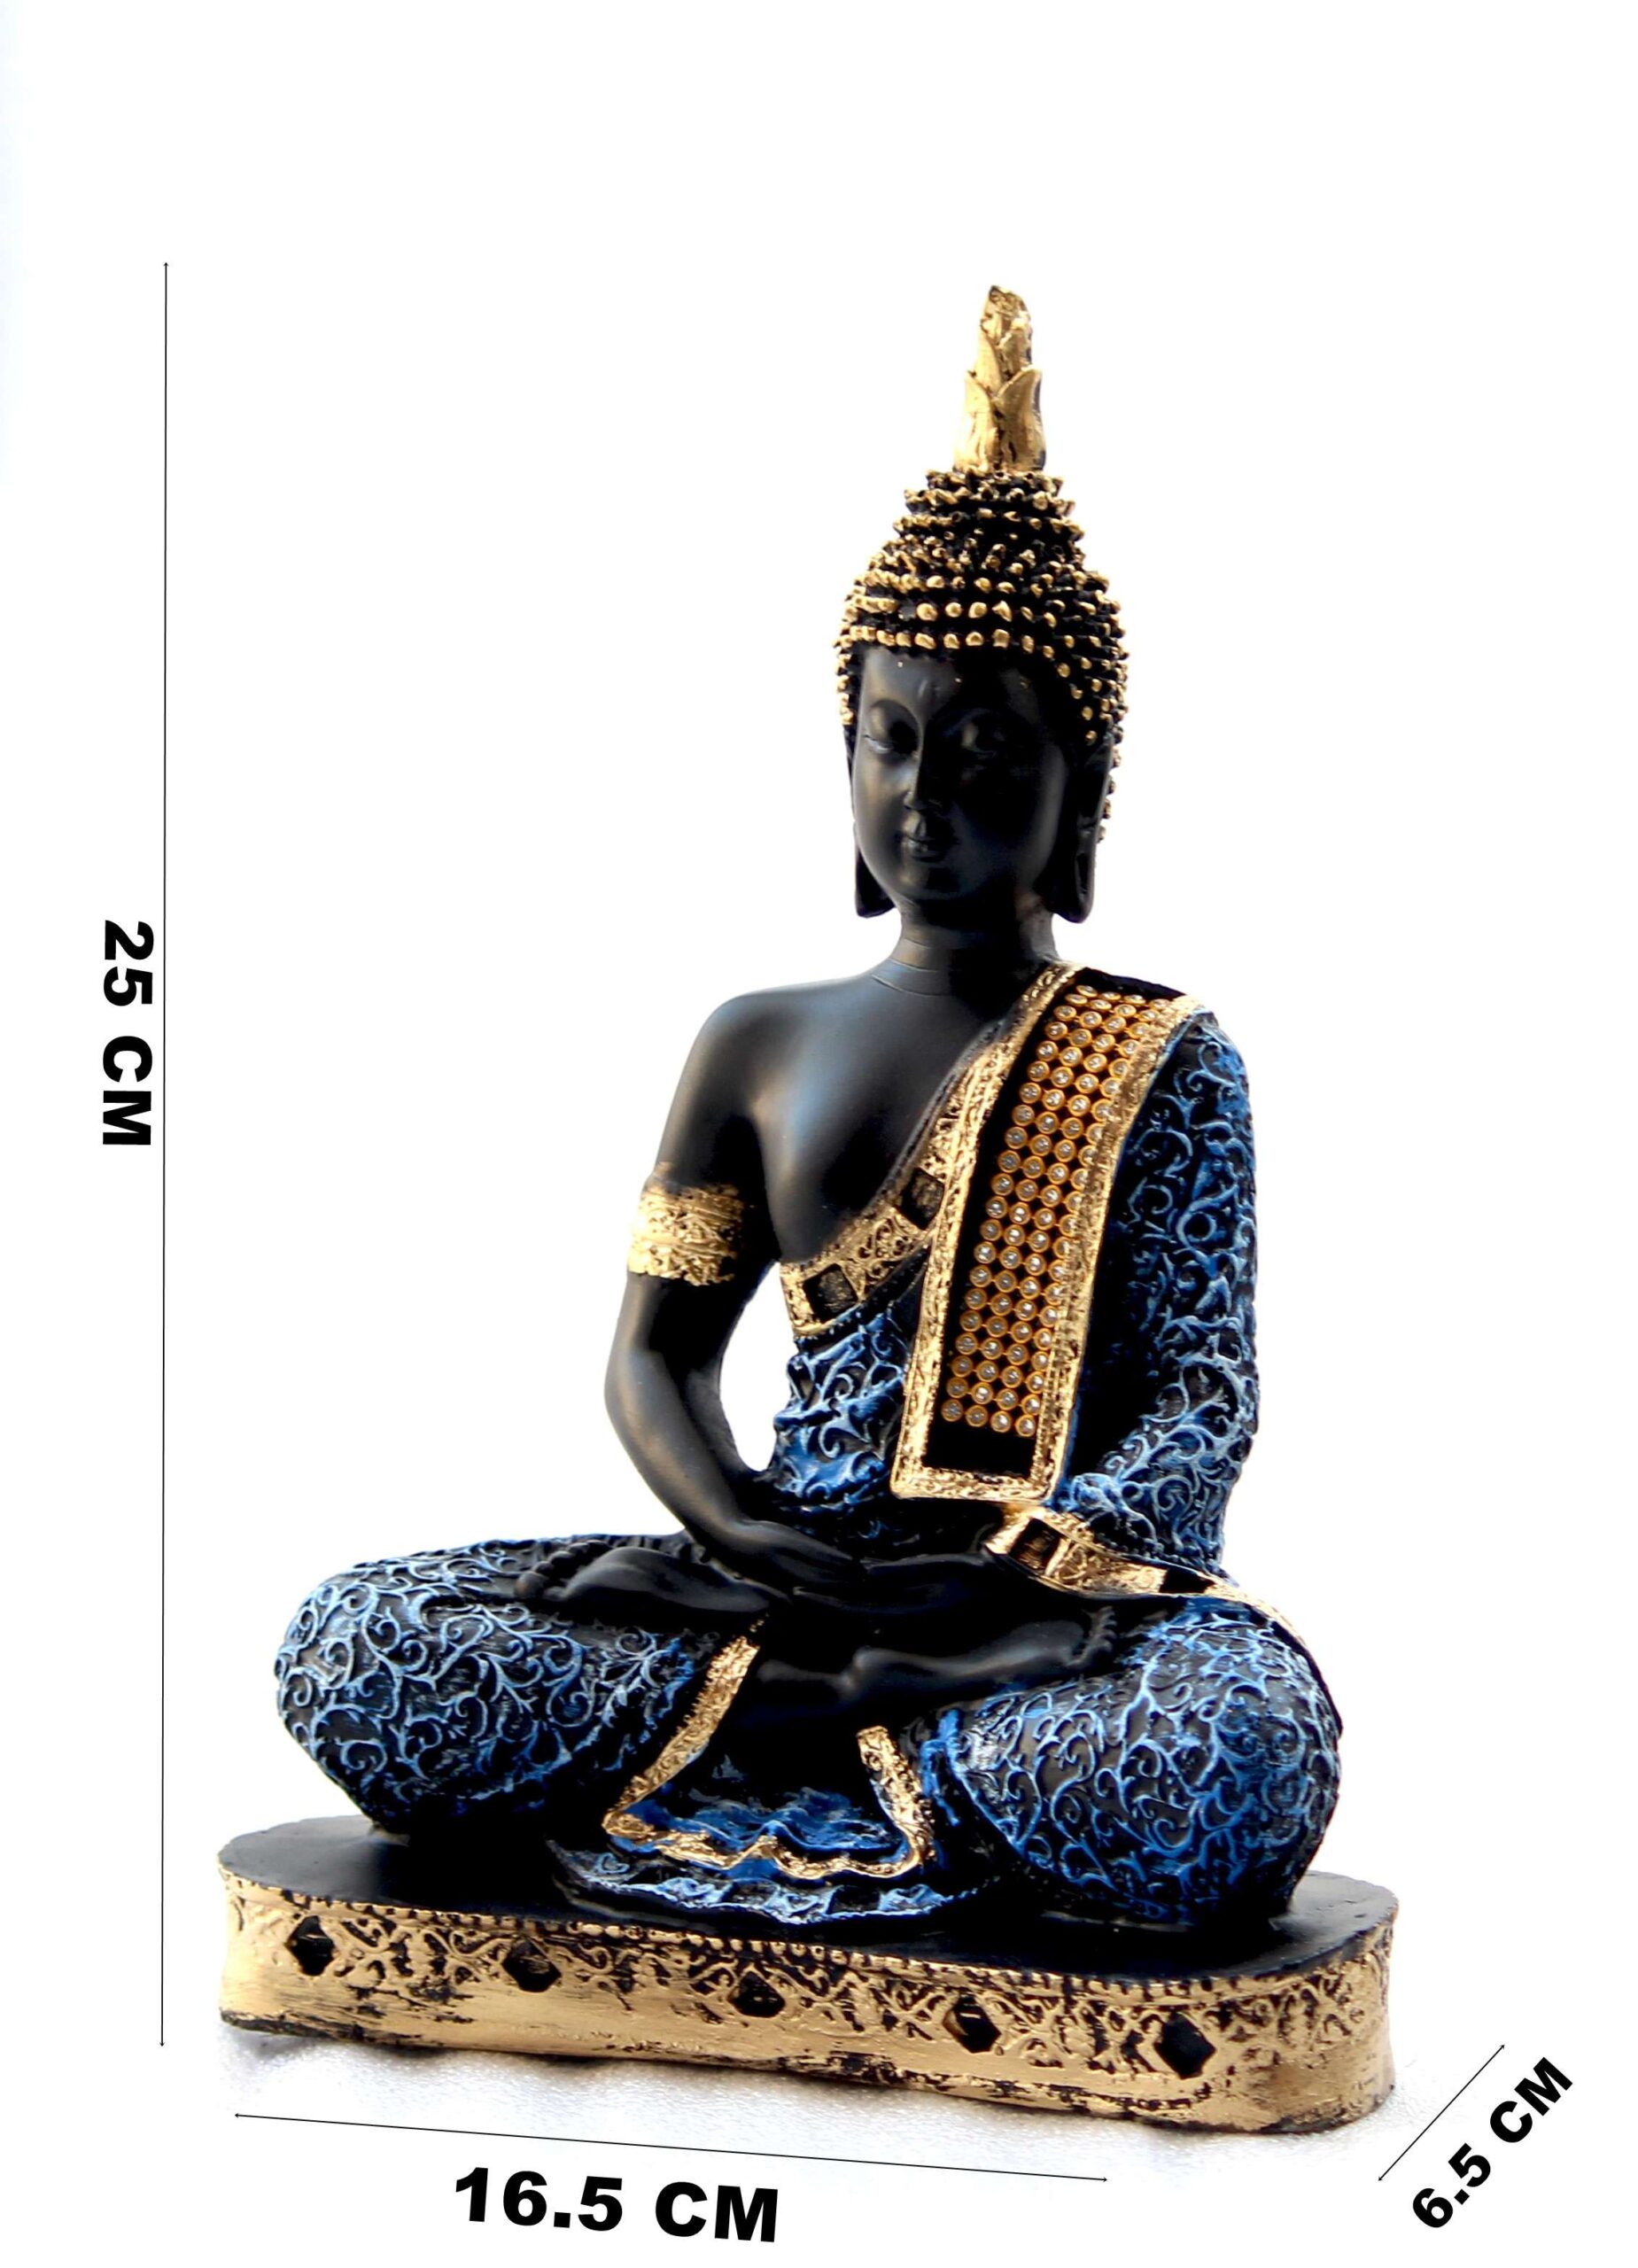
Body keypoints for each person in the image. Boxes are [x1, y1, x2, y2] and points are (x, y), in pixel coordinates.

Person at [276, 291, 1339, 1931]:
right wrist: (738, 1533)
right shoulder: (751, 1042)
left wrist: (1015, 1580)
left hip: (1037, 1610)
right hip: (779, 1569)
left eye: (985, 753)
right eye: (887, 741)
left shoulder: (1160, 1057)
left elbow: (1200, 1399)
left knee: (1227, 1760)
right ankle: (828, 1701)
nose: (924, 796)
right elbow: (654, 1356)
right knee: (356, 1644)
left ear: (1079, 792)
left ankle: (796, 1712)